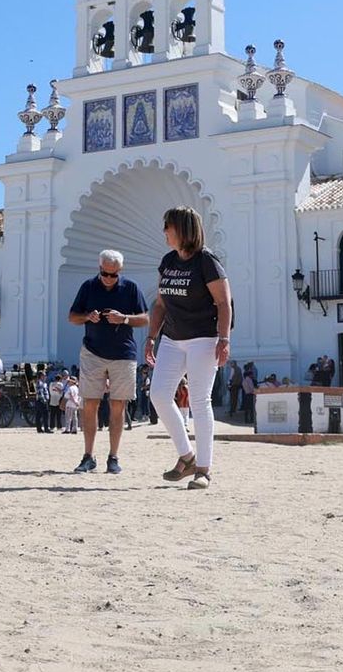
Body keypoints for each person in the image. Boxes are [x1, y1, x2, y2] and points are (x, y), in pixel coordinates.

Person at [147, 206, 231, 491]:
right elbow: (160, 304)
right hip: (172, 338)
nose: (164, 232)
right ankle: (187, 456)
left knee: (199, 401)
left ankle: (204, 470)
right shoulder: (168, 261)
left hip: (203, 338)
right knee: (158, 395)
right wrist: (151, 337)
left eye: (168, 226)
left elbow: (223, 303)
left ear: (182, 229)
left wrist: (224, 339)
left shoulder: (206, 261)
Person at [67, 248, 149, 474]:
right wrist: (88, 316)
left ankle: (113, 457)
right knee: (90, 404)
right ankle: (88, 456)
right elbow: (72, 317)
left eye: (114, 275)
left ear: (120, 271)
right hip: (92, 352)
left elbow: (145, 318)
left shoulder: (131, 288)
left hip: (123, 354)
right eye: (105, 273)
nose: (109, 278)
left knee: (118, 405)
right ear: (99, 268)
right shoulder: (88, 286)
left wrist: (124, 319)